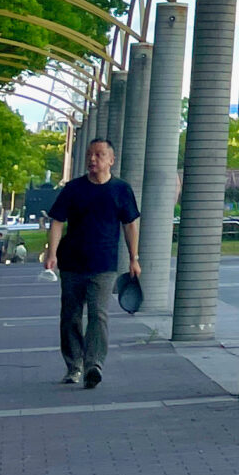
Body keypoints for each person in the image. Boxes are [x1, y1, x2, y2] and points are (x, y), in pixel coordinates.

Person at [44, 138, 141, 389]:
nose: (93, 159)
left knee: (98, 315)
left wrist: (134, 258)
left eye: (99, 155)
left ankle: (93, 365)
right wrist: (52, 253)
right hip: (72, 262)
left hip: (103, 264)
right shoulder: (74, 189)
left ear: (111, 160)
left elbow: (130, 224)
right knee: (71, 316)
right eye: (90, 155)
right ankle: (74, 364)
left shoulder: (121, 190)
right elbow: (57, 221)